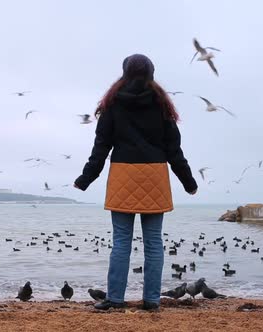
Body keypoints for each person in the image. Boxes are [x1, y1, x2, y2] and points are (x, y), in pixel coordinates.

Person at [74, 54, 197, 311]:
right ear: (152, 74)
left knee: (121, 241)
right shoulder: (162, 105)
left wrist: (86, 178)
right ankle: (151, 301)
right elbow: (174, 149)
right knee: (153, 242)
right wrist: (189, 182)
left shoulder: (112, 104)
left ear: (125, 74)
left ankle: (115, 299)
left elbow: (101, 147)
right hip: (155, 176)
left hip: (123, 175)